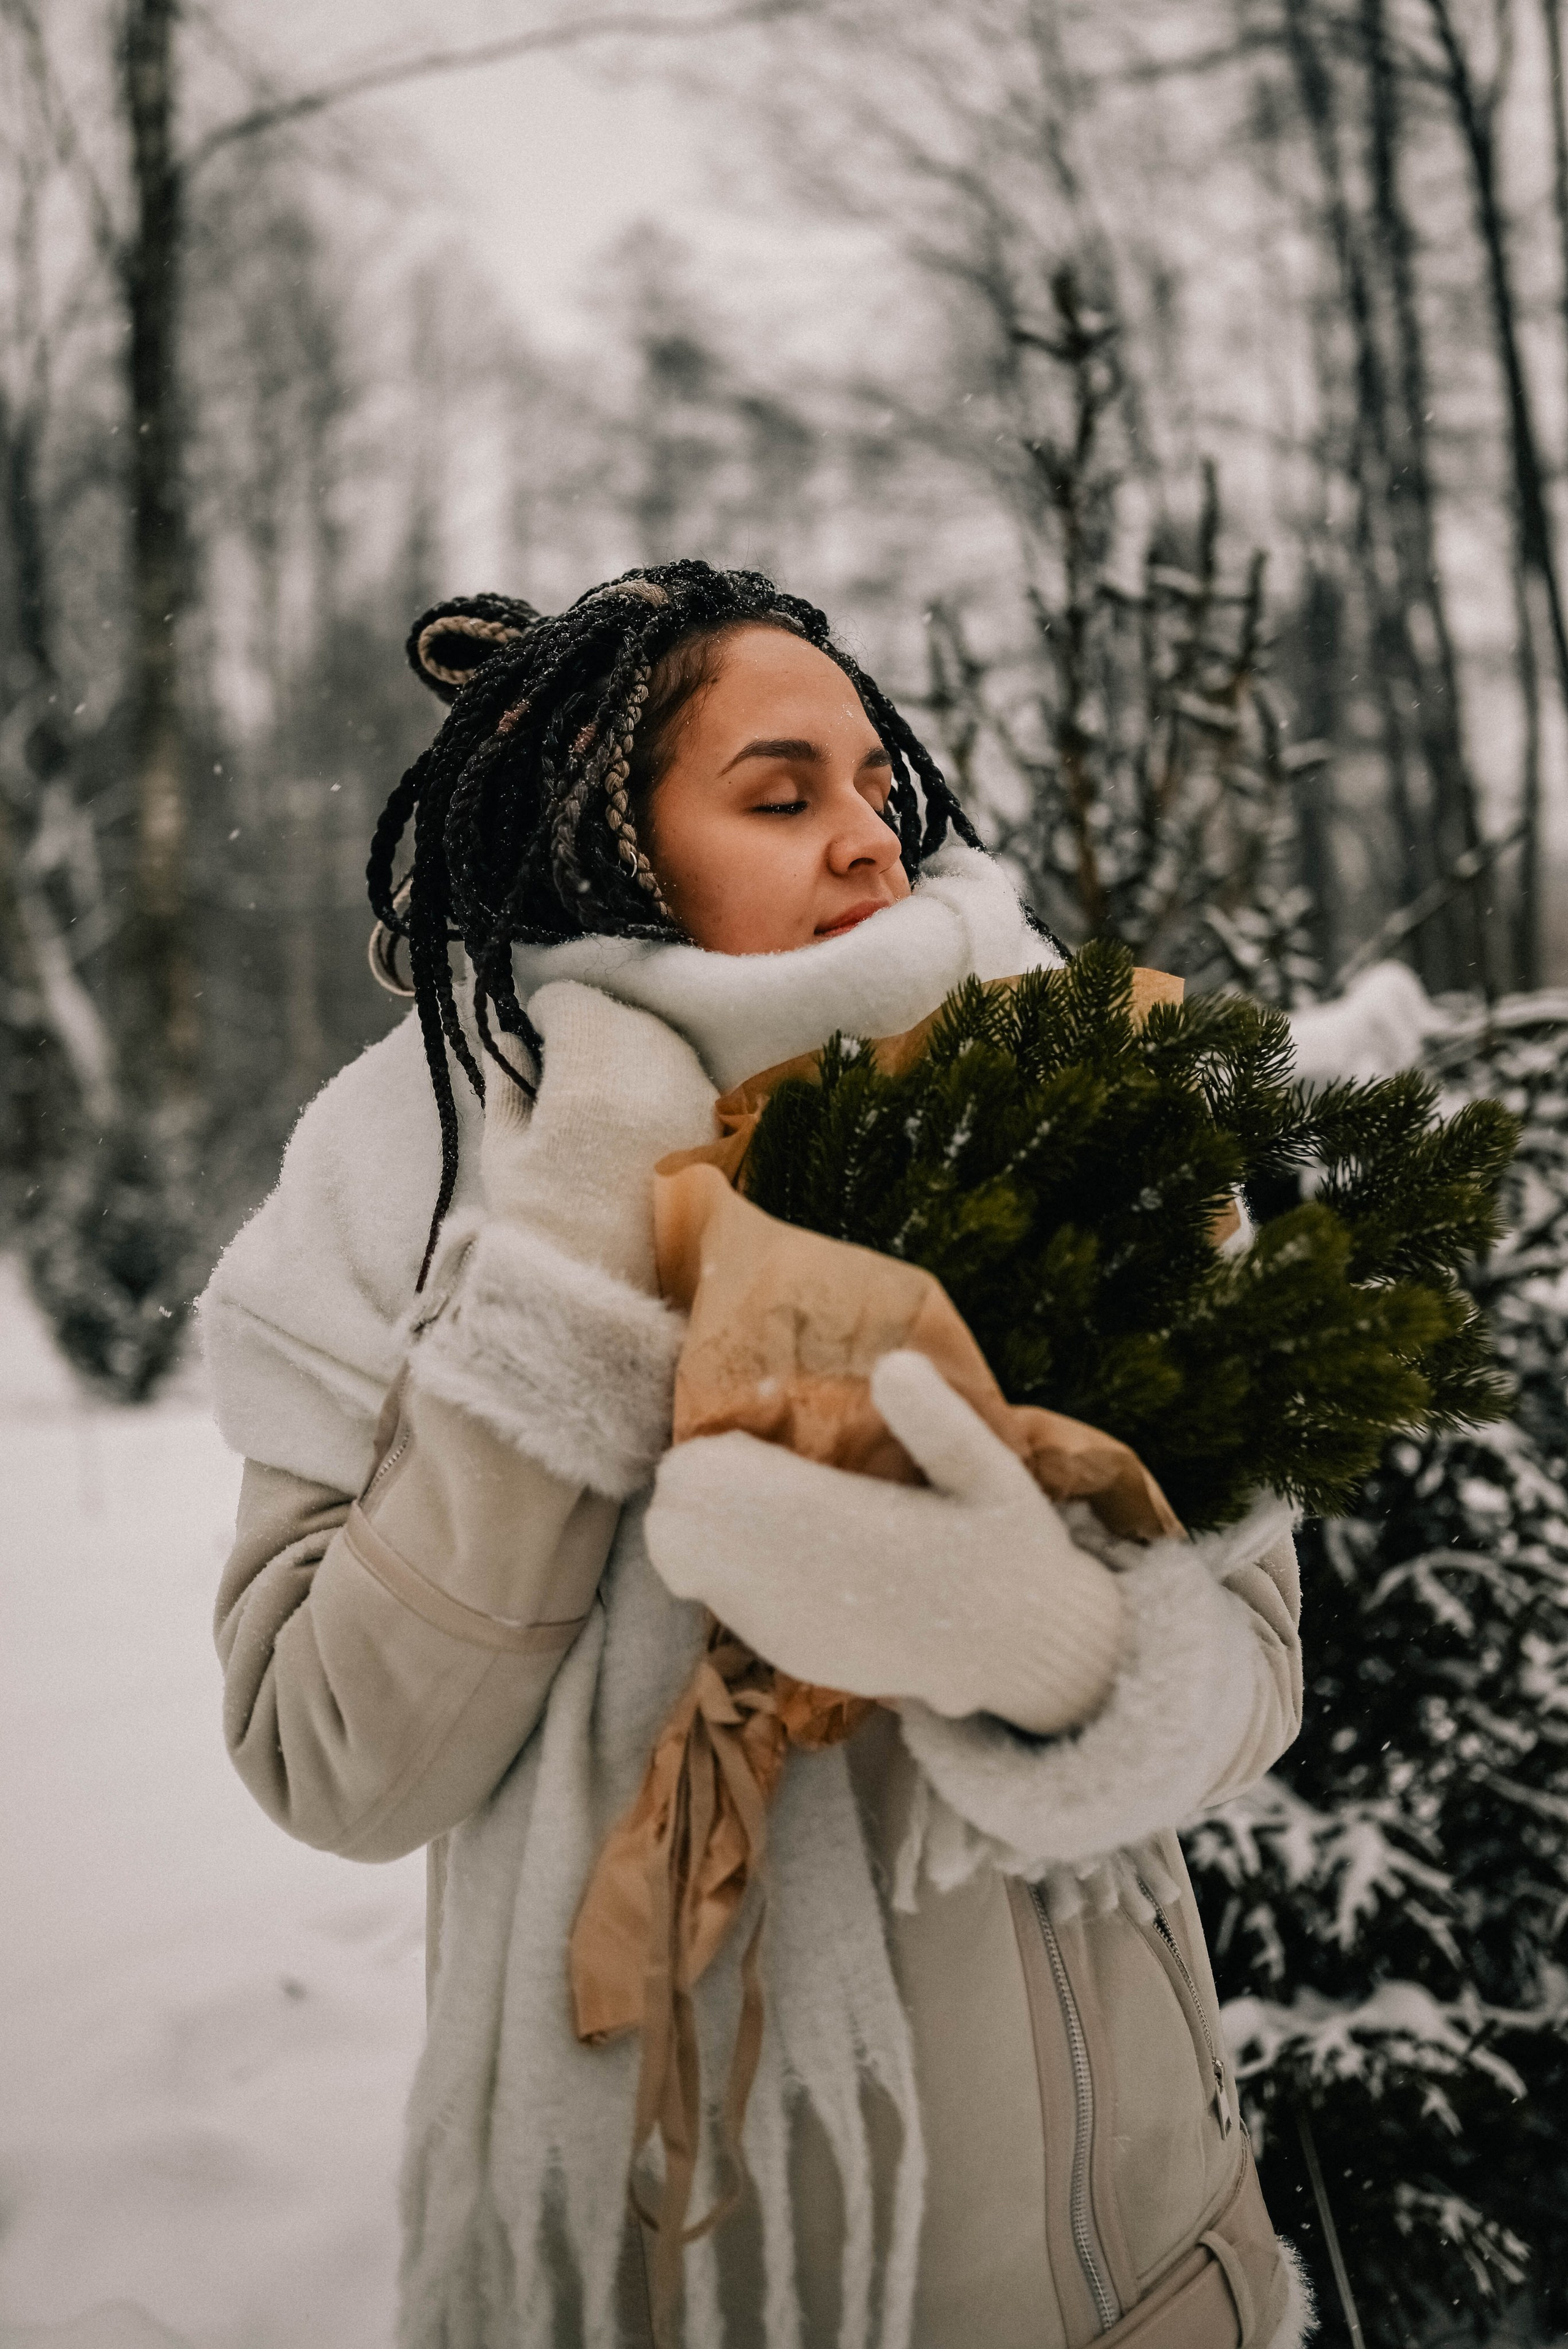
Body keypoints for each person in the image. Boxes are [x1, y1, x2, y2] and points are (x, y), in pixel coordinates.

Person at [201, 559, 1312, 2349]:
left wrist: (1053, 1639)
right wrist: (568, 1270)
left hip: (1122, 2272)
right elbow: (338, 1763)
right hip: (645, 2279)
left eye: (875, 782)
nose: (870, 839)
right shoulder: (400, 1179)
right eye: (781, 795)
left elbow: (1258, 1669)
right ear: (603, 846)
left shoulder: (1076, 1095)